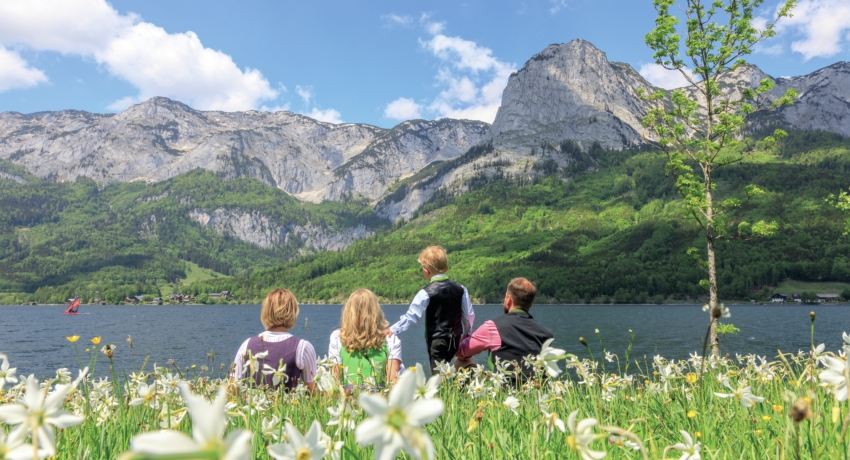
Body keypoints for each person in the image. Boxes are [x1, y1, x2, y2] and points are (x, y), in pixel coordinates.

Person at [388, 245, 475, 373]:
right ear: (446, 267)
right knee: (449, 369)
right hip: (455, 338)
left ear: (426, 271)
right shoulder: (461, 289)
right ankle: (456, 389)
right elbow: (468, 315)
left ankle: (442, 392)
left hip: (437, 340)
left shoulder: (425, 293)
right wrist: (467, 333)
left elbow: (411, 316)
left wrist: (392, 330)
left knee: (437, 375)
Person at [455, 277, 553, 380]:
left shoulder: (492, 328)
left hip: (502, 390)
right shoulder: (546, 335)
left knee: (461, 362)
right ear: (531, 304)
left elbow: (461, 352)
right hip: (534, 391)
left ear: (509, 300)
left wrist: (464, 337)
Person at [232, 288, 318, 392]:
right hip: (288, 407)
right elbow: (313, 391)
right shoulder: (303, 347)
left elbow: (232, 387)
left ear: (265, 312)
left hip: (252, 407)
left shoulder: (247, 344)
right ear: (293, 312)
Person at [328, 289, 402, 385]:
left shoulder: (337, 337)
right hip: (380, 398)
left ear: (349, 312)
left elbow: (335, 380)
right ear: (376, 311)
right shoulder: (390, 338)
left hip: (347, 397)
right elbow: (392, 381)